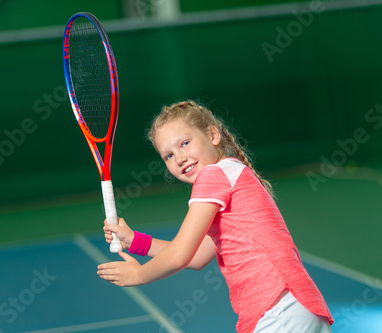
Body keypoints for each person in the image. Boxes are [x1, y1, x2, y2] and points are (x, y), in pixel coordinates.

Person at [97, 101, 334, 332]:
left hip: (279, 309)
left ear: (212, 135)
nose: (179, 158)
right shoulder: (230, 172)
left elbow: (180, 255)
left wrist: (139, 274)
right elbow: (198, 257)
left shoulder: (214, 176)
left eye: (185, 143)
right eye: (168, 156)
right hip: (296, 307)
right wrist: (135, 241)